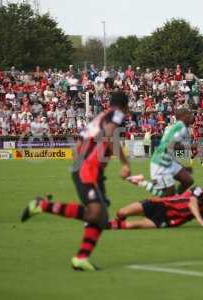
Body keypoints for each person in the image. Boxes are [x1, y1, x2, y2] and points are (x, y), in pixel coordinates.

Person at [20, 91, 131, 271]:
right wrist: (124, 163)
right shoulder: (116, 114)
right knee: (96, 213)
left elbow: (81, 144)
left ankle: (81, 258)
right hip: (87, 168)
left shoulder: (100, 116)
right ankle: (42, 206)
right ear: (125, 106)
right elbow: (110, 136)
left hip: (87, 167)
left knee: (100, 217)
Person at [108, 179, 203, 229]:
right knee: (121, 212)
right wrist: (199, 220)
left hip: (169, 219)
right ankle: (109, 223)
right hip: (160, 204)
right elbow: (192, 202)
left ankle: (102, 226)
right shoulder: (198, 190)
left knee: (131, 225)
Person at [147, 108, 194, 197]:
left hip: (167, 161)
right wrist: (190, 146)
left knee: (188, 180)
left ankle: (175, 199)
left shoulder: (174, 126)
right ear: (184, 117)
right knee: (167, 195)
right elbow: (169, 146)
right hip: (160, 163)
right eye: (189, 115)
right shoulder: (181, 127)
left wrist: (182, 166)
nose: (192, 118)